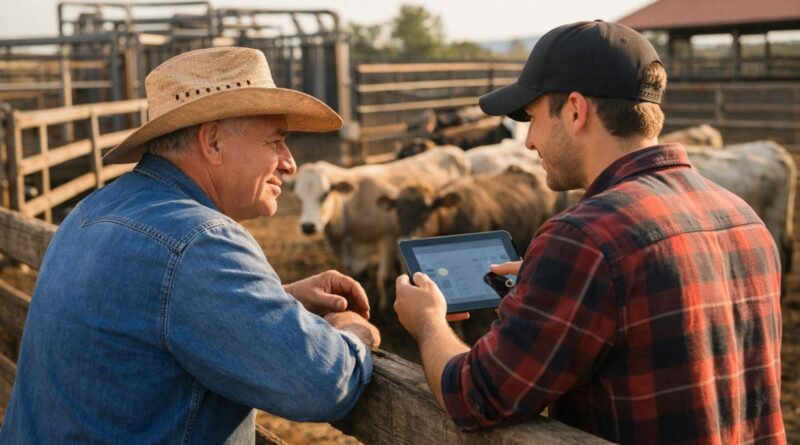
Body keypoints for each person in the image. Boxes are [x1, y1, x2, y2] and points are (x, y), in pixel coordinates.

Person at [394, 20, 785, 444]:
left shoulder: (585, 238)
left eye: (532, 117)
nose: (527, 141)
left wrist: (429, 321)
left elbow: (474, 395)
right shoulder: (742, 217)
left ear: (576, 111)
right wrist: (553, 282)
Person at [1, 47, 380, 443]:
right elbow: (322, 384)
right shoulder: (199, 242)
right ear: (212, 142)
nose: (289, 162)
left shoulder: (90, 210)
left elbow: (148, 312)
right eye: (275, 141)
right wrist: (350, 329)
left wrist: (274, 301)